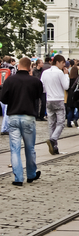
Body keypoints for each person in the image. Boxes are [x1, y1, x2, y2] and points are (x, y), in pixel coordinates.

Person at [1, 57, 44, 186]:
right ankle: (31, 174)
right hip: (29, 117)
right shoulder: (35, 81)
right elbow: (38, 96)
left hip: (13, 116)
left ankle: (18, 178)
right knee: (30, 148)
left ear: (18, 66)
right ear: (29, 68)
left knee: (15, 149)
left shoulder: (10, 80)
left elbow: (3, 98)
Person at [40, 55, 70, 155]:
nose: (63, 66)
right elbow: (66, 86)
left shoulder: (45, 72)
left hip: (49, 99)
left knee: (51, 123)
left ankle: (54, 147)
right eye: (62, 63)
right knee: (60, 123)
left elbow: (42, 87)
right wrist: (66, 75)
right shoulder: (59, 73)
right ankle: (53, 139)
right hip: (59, 99)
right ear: (58, 62)